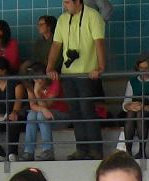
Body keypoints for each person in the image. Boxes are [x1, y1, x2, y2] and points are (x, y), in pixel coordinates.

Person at [46, 0, 107, 160]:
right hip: (68, 74)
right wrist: (50, 66)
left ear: (78, 2)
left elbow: (99, 43)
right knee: (75, 112)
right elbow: (56, 45)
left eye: (67, 2)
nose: (65, 6)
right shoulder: (62, 19)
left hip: (87, 74)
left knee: (87, 110)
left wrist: (101, 67)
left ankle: (95, 149)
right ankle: (81, 148)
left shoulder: (93, 16)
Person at [21, 63, 69, 161]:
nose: (37, 81)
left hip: (61, 116)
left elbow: (47, 105)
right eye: (35, 79)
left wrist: (37, 93)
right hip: (44, 116)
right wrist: (43, 109)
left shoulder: (54, 82)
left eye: (39, 78)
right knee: (31, 115)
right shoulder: (31, 86)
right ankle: (29, 151)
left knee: (40, 115)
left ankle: (48, 151)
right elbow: (33, 106)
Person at [0, 57, 28, 162]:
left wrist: (14, 112)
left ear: (3, 70)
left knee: (13, 122)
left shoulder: (15, 82)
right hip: (1, 117)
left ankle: (12, 153)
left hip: (16, 114)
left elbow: (19, 99)